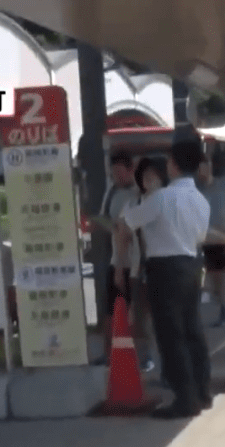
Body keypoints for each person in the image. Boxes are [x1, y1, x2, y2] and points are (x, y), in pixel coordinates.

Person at [115, 135, 213, 419]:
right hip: (191, 264)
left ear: (173, 165)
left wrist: (121, 261)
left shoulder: (161, 198)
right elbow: (201, 237)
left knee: (172, 336)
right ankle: (203, 392)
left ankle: (185, 399)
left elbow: (127, 224)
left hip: (164, 269)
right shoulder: (201, 201)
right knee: (193, 331)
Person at [97, 151, 141, 363]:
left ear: (130, 170)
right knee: (110, 310)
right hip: (116, 260)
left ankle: (137, 354)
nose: (116, 177)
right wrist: (110, 226)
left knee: (135, 311)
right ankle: (108, 353)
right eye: (112, 173)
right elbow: (104, 219)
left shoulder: (140, 193)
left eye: (119, 172)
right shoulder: (112, 192)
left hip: (135, 263)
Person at [129, 157, 170, 372]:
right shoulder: (136, 203)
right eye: (145, 177)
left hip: (164, 269)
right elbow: (123, 230)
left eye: (153, 176)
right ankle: (146, 357)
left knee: (162, 320)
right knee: (141, 318)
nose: (149, 180)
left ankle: (165, 365)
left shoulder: (169, 201)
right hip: (140, 268)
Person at [199, 154, 225, 326]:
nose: (204, 169)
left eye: (206, 165)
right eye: (200, 167)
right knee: (217, 280)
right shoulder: (198, 190)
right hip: (209, 240)